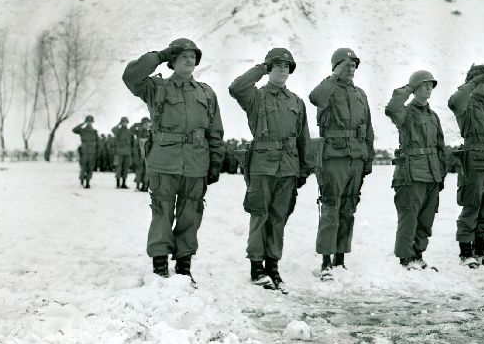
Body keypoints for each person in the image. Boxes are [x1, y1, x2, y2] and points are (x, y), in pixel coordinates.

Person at [122, 38, 224, 283]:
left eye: (193, 57)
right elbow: (131, 76)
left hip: (197, 161)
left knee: (191, 213)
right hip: (163, 161)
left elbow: (215, 130)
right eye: (182, 56)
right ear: (172, 61)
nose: (189, 60)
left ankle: (183, 264)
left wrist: (216, 160)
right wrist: (161, 54)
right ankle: (159, 264)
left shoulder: (206, 92)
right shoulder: (156, 88)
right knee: (162, 211)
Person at [229, 48, 314, 293]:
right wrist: (260, 67)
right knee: (260, 214)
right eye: (277, 65)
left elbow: (303, 138)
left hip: (288, 166)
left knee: (279, 218)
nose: (282, 69)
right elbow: (236, 88)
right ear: (269, 68)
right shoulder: (256, 97)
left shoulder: (296, 102)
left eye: (287, 66)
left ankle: (273, 265)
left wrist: (304, 169)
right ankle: (257, 266)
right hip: (262, 165)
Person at [309, 48, 374, 281]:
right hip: (333, 156)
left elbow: (368, 127)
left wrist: (368, 157)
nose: (351, 69)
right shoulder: (327, 89)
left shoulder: (360, 94)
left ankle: (340, 258)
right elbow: (315, 97)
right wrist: (333, 77)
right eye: (345, 65)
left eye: (354, 65)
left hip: (355, 156)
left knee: (349, 208)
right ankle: (325, 260)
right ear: (334, 66)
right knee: (331, 206)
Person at [385, 70, 446, 270]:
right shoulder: (405, 112)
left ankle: (418, 255)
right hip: (411, 174)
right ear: (416, 88)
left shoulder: (433, 115)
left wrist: (441, 173)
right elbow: (392, 107)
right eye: (425, 84)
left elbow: (440, 147)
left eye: (431, 85)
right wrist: (409, 87)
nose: (429, 88)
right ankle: (406, 258)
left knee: (426, 219)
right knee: (409, 218)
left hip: (431, 174)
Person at [448, 65, 484, 268]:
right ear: (472, 83)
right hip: (475, 162)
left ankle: (480, 252)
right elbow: (453, 101)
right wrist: (472, 82)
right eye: (483, 81)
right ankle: (466, 253)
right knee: (472, 205)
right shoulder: (465, 105)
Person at [72, 115, 99, 188]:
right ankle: (82, 180)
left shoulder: (95, 132)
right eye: (88, 122)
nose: (89, 123)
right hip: (84, 152)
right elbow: (74, 130)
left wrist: (97, 152)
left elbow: (98, 143)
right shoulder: (82, 130)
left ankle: (88, 182)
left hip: (92, 152)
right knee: (83, 167)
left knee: (90, 168)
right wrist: (82, 124)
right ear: (86, 122)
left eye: (90, 122)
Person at [112, 117, 135, 189]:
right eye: (123, 122)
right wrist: (118, 124)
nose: (125, 123)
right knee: (119, 168)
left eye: (125, 122)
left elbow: (132, 142)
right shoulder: (118, 131)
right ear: (121, 123)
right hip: (119, 153)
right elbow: (113, 129)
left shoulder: (129, 131)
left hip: (128, 153)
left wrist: (132, 151)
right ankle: (118, 184)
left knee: (125, 168)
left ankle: (123, 184)